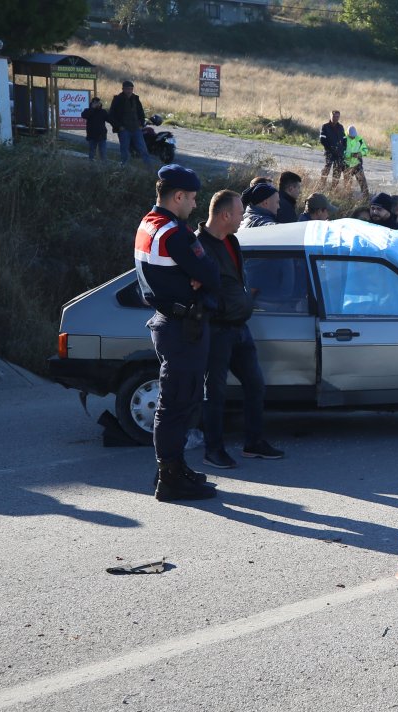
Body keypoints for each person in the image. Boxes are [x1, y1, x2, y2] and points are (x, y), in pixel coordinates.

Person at [134, 165, 219, 501]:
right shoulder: (175, 233)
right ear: (178, 196)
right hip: (183, 326)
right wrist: (200, 277)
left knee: (180, 401)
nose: (196, 205)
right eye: (194, 198)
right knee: (177, 404)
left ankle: (174, 467)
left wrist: (196, 276)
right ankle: (168, 478)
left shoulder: (147, 223)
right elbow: (210, 273)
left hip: (170, 321)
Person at [196, 190, 285, 469]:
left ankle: (253, 443)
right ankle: (213, 450)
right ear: (224, 215)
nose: (242, 219)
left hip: (240, 328)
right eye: (238, 214)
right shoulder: (198, 247)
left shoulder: (232, 241)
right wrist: (218, 310)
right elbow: (195, 289)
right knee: (216, 392)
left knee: (255, 384)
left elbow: (238, 279)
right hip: (217, 329)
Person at [109, 80, 153, 168]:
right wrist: (119, 126)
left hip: (136, 128)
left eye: (131, 89)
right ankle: (124, 168)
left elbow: (141, 113)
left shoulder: (136, 98)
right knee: (124, 150)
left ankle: (150, 169)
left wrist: (141, 124)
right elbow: (111, 115)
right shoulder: (117, 99)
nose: (129, 91)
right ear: (123, 89)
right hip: (124, 129)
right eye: (127, 89)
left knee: (143, 149)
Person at [318, 110, 346, 188]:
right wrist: (330, 148)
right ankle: (321, 186)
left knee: (337, 172)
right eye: (334, 116)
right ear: (331, 116)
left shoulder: (341, 127)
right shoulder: (325, 126)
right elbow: (322, 140)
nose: (336, 118)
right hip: (329, 152)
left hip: (339, 153)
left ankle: (333, 189)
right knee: (326, 169)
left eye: (337, 116)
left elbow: (344, 139)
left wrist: (343, 149)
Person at [343, 126, 369, 200]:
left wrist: (360, 154)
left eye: (354, 136)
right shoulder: (343, 138)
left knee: (363, 182)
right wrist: (350, 155)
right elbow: (341, 151)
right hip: (346, 165)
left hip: (357, 164)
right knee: (347, 184)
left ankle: (366, 198)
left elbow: (365, 149)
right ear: (347, 134)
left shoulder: (359, 139)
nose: (353, 138)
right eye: (351, 137)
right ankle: (348, 199)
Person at [81, 97, 109, 161]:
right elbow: (84, 116)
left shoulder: (103, 111)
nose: (97, 104)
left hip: (102, 135)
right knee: (91, 152)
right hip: (91, 135)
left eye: (98, 103)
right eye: (95, 103)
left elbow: (109, 119)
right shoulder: (87, 110)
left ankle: (104, 167)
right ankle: (91, 166)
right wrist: (92, 108)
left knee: (103, 152)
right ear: (92, 103)